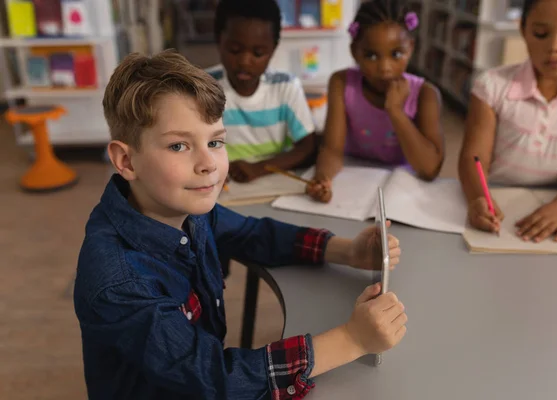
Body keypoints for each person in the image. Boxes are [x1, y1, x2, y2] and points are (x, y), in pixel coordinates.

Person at [73, 50, 408, 400]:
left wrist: (345, 250)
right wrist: (351, 340)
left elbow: (251, 234)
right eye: (178, 145)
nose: (208, 164)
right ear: (126, 160)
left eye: (215, 141)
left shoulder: (184, 206)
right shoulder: (118, 281)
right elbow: (210, 377)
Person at [459, 0, 557, 243]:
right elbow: (474, 156)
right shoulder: (492, 86)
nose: (555, 47)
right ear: (523, 28)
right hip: (497, 200)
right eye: (541, 33)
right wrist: (477, 198)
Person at [306, 0, 444, 203]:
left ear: (411, 48)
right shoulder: (341, 83)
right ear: (354, 52)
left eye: (396, 54)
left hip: (402, 187)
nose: (385, 68)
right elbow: (332, 150)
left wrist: (396, 112)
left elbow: (430, 169)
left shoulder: (426, 95)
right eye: (371, 55)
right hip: (352, 179)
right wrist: (323, 178)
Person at [207, 0, 317, 183]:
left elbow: (307, 147)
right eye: (234, 50)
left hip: (274, 182)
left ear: (273, 49)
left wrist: (258, 168)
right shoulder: (202, 87)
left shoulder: (286, 87)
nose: (244, 61)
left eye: (258, 53)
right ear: (219, 41)